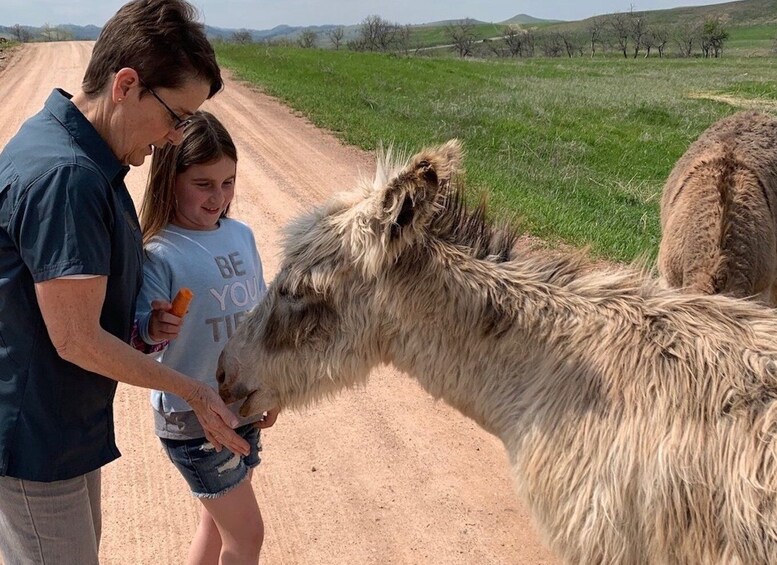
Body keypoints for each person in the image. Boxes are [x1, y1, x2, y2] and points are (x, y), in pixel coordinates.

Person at [0, 1, 250, 563]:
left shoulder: (85, 157)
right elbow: (77, 339)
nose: (173, 137)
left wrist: (141, 325)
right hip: (35, 438)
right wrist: (193, 390)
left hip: (59, 429)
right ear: (126, 85)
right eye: (176, 115)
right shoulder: (67, 176)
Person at [135, 110, 278, 564]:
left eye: (228, 182)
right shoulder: (160, 253)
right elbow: (141, 338)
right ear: (169, 179)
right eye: (203, 184)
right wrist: (154, 328)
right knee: (248, 535)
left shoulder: (242, 235)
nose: (219, 197)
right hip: (193, 418)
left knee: (216, 528)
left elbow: (259, 319)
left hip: (243, 405)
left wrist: (272, 385)